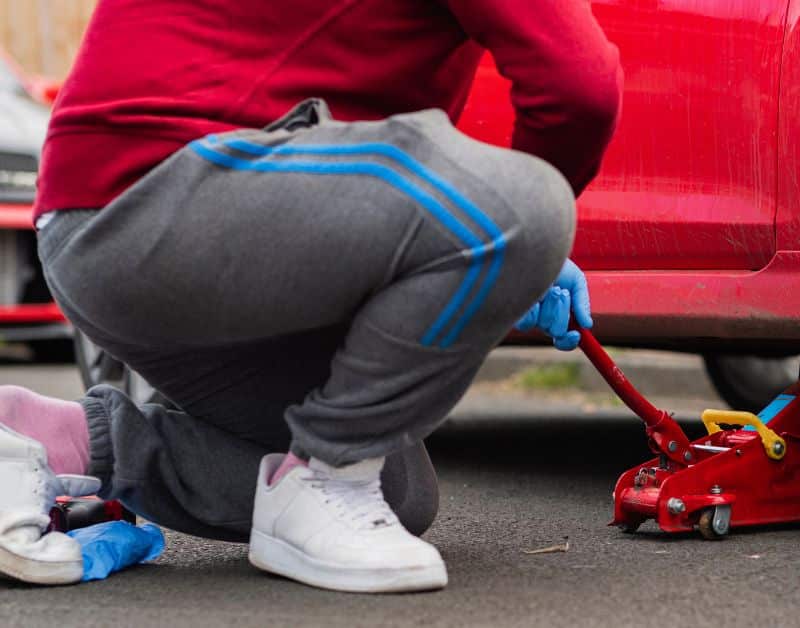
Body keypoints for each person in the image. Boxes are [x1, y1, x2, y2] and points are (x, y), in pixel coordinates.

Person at [0, 0, 621, 593]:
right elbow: (579, 87)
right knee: (526, 203)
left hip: (110, 216)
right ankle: (325, 478)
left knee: (398, 490)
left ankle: (43, 438)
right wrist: (518, 234)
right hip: (157, 193)